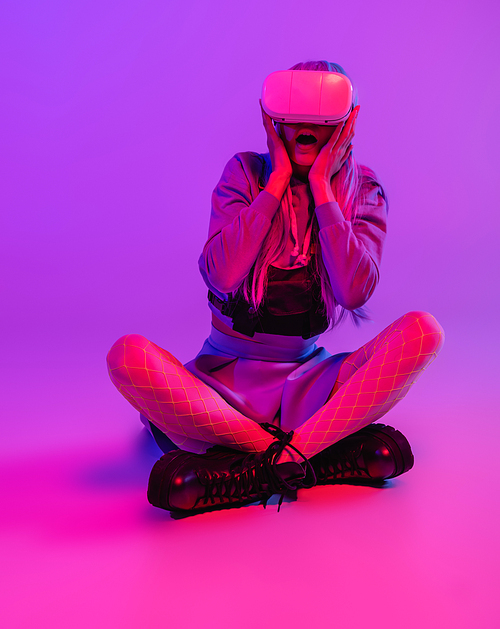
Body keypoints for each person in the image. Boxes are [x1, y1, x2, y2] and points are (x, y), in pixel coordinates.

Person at [107, 60, 444, 515]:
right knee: (127, 356)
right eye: (292, 111)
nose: (305, 124)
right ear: (270, 118)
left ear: (348, 120)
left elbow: (353, 292)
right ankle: (304, 455)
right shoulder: (244, 174)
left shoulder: (362, 190)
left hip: (311, 381)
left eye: (321, 112)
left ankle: (248, 466)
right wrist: (276, 183)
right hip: (225, 385)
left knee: (424, 331)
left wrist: (324, 190)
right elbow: (221, 275)